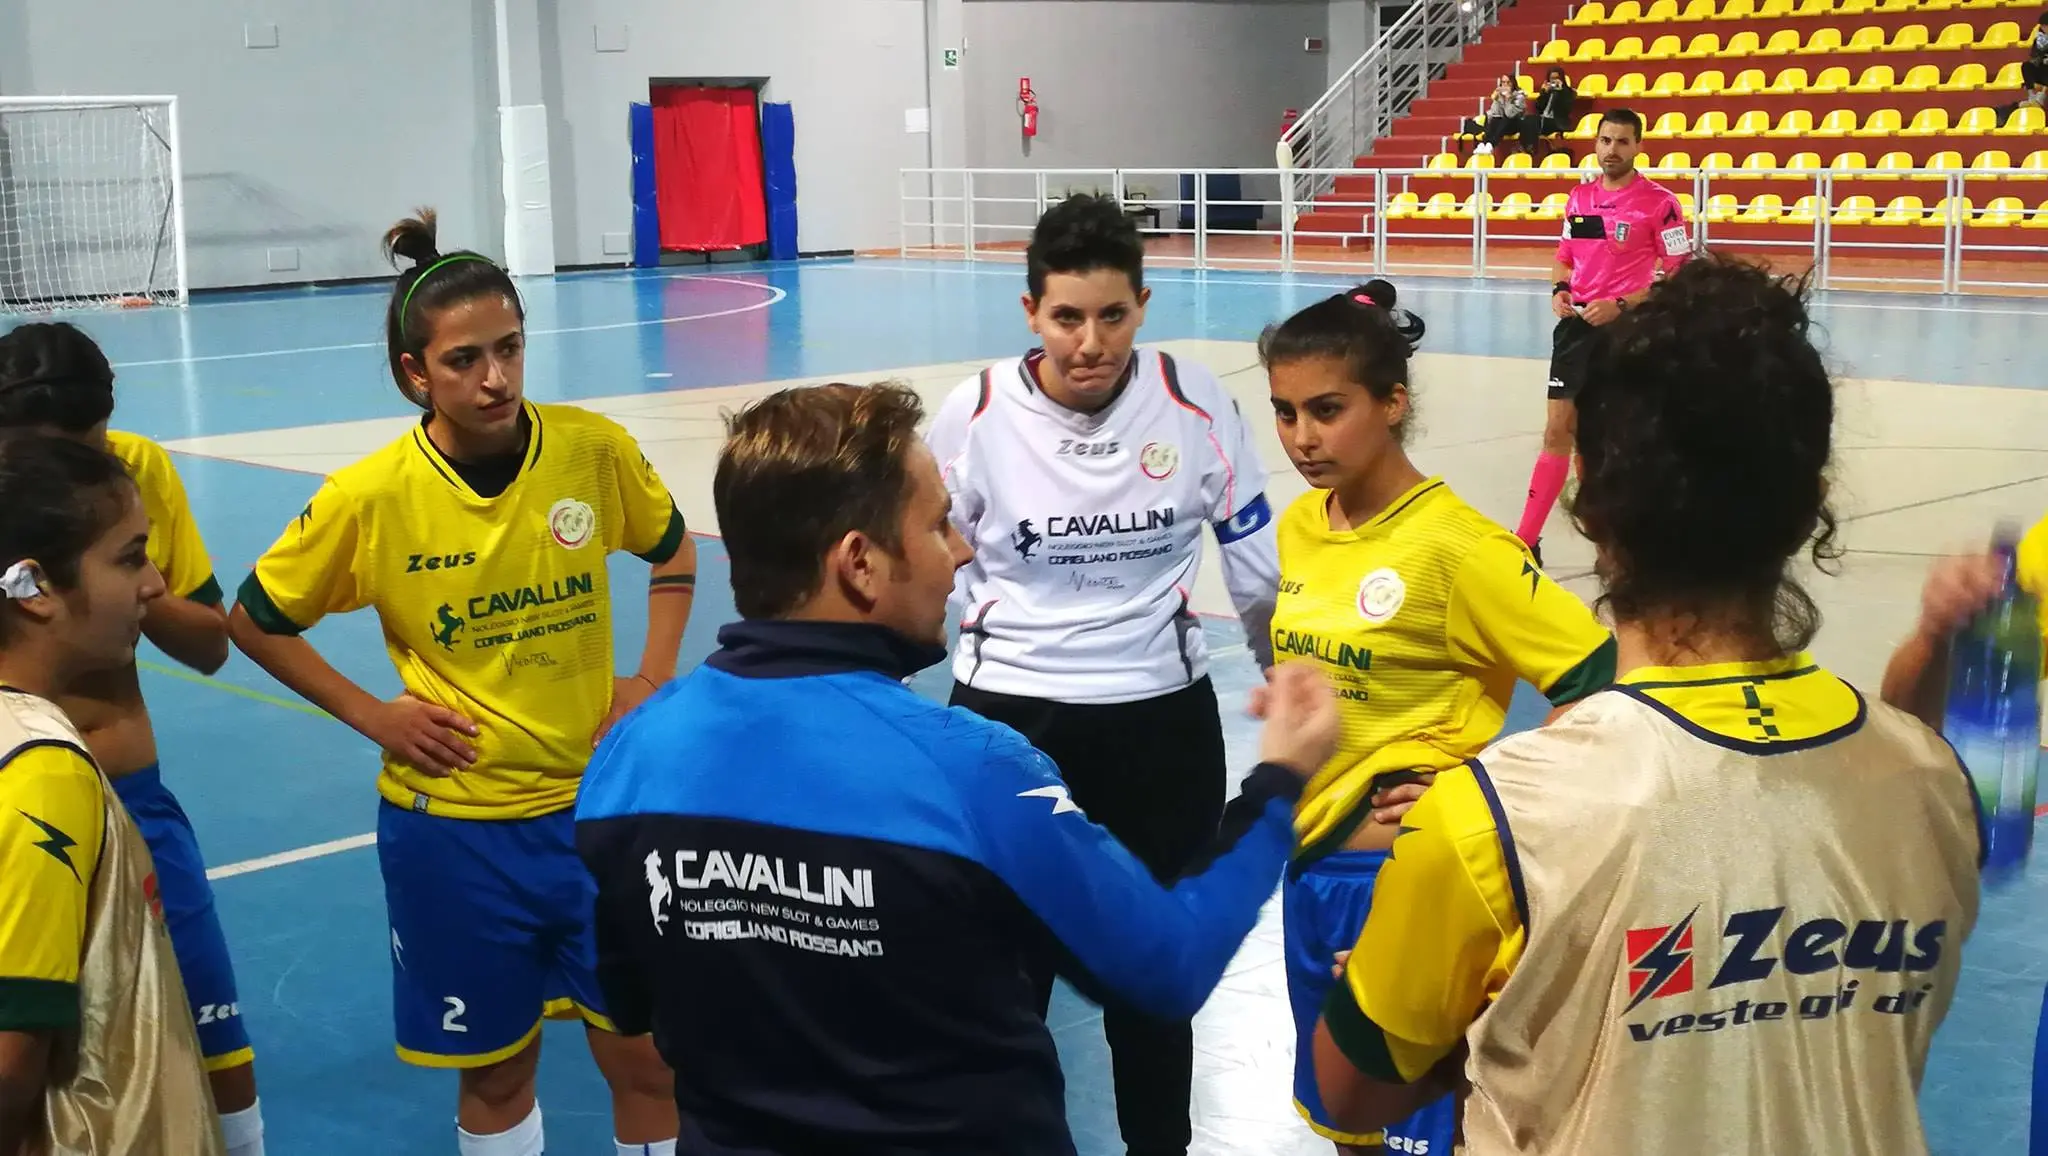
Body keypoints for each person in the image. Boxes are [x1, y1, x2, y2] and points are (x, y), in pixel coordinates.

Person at [1312, 256, 1983, 1155]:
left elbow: (1348, 1093)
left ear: (1587, 496)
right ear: (1809, 504)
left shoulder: (1499, 815)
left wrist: (1458, 1029)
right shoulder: (1935, 785)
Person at [574, 380, 1338, 1156]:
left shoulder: (631, 760)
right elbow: (1168, 968)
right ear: (861, 564)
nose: (963, 549)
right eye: (939, 523)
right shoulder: (973, 774)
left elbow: (631, 999)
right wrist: (1277, 785)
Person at [226, 210, 692, 1156]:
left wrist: (650, 675)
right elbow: (255, 620)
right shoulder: (369, 496)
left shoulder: (589, 450)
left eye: (512, 348)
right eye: (465, 359)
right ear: (413, 375)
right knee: (497, 1068)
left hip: (596, 816)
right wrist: (373, 715)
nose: (496, 378)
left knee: (645, 1059)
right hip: (456, 834)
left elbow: (674, 551)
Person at [924, 192, 1280, 1156]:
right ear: (1030, 312)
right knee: (1005, 986)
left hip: (1159, 726)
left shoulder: (1197, 401)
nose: (1090, 342)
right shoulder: (976, 414)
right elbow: (924, 553)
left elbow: (1253, 559)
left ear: (1144, 305)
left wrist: (1282, 672)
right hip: (1008, 729)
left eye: (1112, 315)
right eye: (1067, 317)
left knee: (1154, 987)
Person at [1260, 278, 1616, 1156]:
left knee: (1429, 1137)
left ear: (1393, 402)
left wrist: (1493, 792)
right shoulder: (1304, 525)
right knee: (1344, 1126)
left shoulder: (1464, 549)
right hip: (1308, 872)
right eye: (1285, 412)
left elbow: (1611, 691)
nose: (1303, 437)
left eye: (1328, 409)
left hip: (1405, 885)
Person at [0, 321, 267, 1155]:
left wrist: (118, 574)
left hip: (128, 801)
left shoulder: (129, 479)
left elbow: (211, 641)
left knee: (204, 1037)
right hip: (32, 799)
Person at [1514, 108, 1691, 565]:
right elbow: (1565, 256)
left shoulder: (1661, 203)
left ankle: (1622, 539)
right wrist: (1559, 288)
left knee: (1617, 439)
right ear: (1595, 144)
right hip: (1576, 333)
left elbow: (1680, 275)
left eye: (1622, 142)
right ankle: (1525, 540)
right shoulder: (1579, 198)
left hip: (1628, 333)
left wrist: (1623, 305)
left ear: (1638, 146)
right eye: (1605, 140)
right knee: (1559, 431)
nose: (1611, 150)